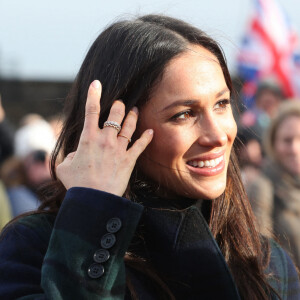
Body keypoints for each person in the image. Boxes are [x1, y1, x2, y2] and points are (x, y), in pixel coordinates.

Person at [0, 14, 299, 300]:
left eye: (222, 104)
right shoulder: (33, 246)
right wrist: (92, 217)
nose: (218, 135)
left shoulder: (266, 262)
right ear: (115, 129)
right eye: (184, 114)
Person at [247, 100, 300, 269]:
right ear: (273, 143)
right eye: (287, 140)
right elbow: (261, 260)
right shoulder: (262, 187)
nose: (294, 148)